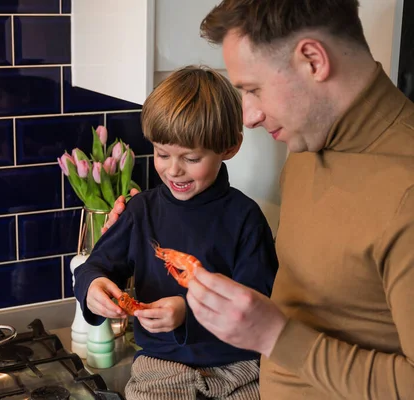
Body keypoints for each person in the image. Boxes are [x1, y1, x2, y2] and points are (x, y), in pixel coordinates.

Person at [104, 1, 414, 399]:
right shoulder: (307, 145)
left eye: (254, 89)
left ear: (313, 61)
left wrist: (277, 337)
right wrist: (151, 213)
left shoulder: (405, 189)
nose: (248, 116)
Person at [74, 65, 278, 400]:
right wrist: (93, 287)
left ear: (229, 147)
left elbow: (259, 308)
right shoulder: (141, 212)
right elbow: (94, 267)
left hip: (240, 367)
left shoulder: (246, 218)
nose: (173, 169)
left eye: (191, 157)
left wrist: (187, 313)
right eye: (162, 153)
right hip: (161, 365)